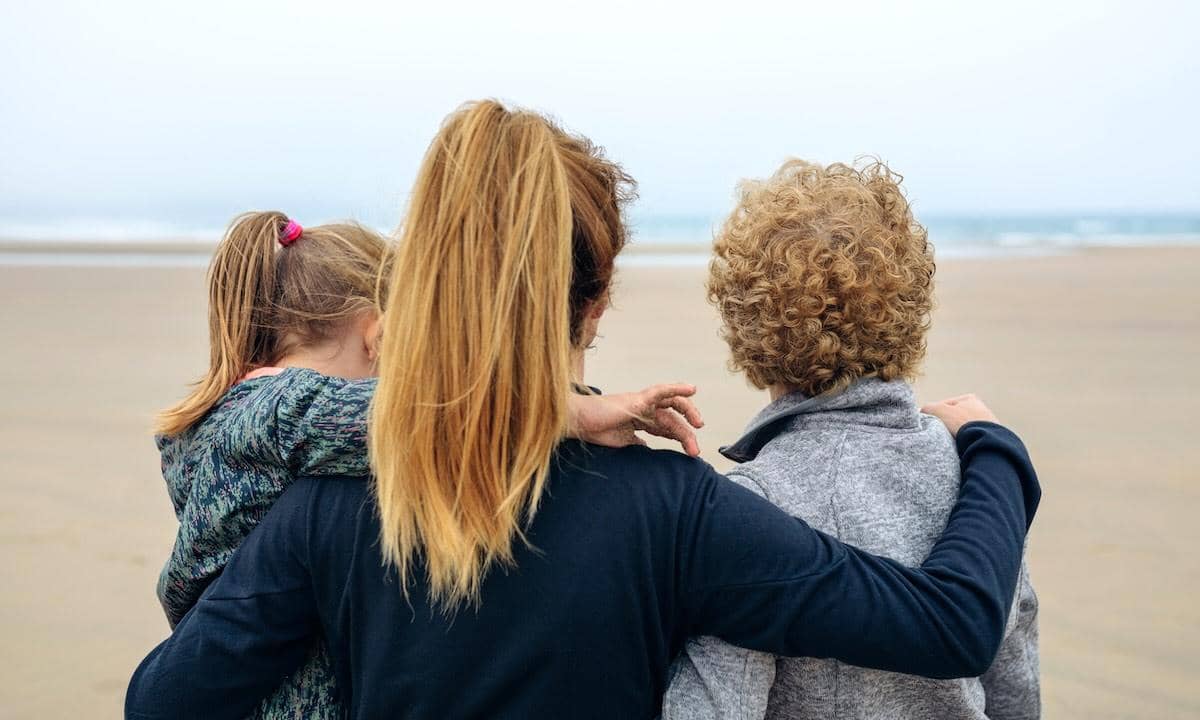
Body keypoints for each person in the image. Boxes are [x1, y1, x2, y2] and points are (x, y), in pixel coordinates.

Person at [125, 100, 1040, 720]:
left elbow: (159, 703)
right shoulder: (676, 509)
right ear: (594, 303)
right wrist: (991, 452)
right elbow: (950, 622)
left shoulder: (320, 513)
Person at [153, 211, 706, 719]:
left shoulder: (241, 422)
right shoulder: (281, 410)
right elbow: (428, 423)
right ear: (377, 336)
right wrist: (577, 412)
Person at [662, 159, 1039, 720]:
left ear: (747, 325)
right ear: (908, 309)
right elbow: (1015, 670)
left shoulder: (755, 498)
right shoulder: (979, 472)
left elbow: (716, 705)